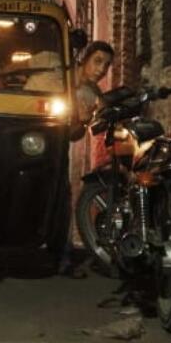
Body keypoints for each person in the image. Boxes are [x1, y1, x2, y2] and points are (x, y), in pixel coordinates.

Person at [60, 40, 116, 277]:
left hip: (70, 144)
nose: (101, 69)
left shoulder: (94, 91)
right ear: (84, 59)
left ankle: (63, 255)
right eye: (97, 62)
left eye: (106, 65)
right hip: (49, 140)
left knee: (66, 195)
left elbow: (105, 112)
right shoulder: (64, 78)